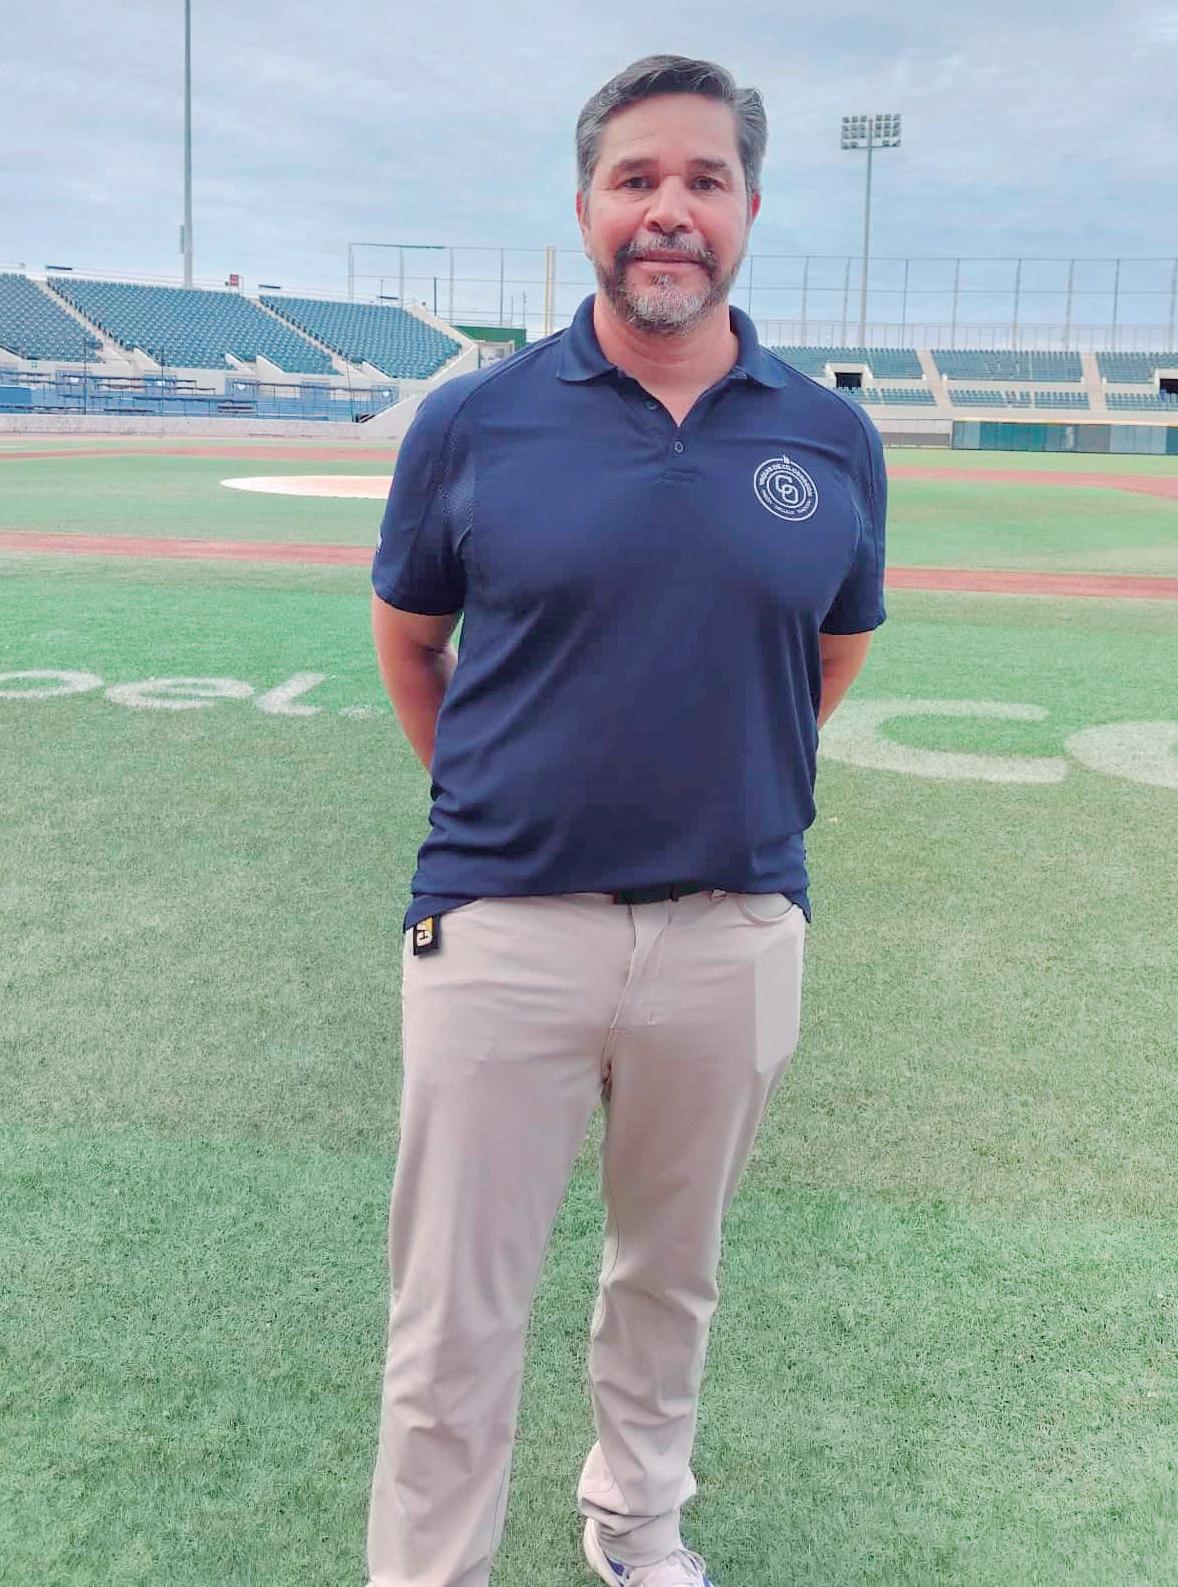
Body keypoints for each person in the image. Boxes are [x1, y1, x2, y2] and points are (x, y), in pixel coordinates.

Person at [366, 53, 887, 1587]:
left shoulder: (829, 437)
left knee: (672, 1279)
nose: (669, 209)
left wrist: (717, 782)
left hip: (736, 931)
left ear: (747, 209)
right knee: (452, 1314)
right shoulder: (474, 420)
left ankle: (637, 1531)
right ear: (587, 206)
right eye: (635, 178)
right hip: (502, 927)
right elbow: (410, 641)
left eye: (702, 180)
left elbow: (828, 656)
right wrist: (503, 801)